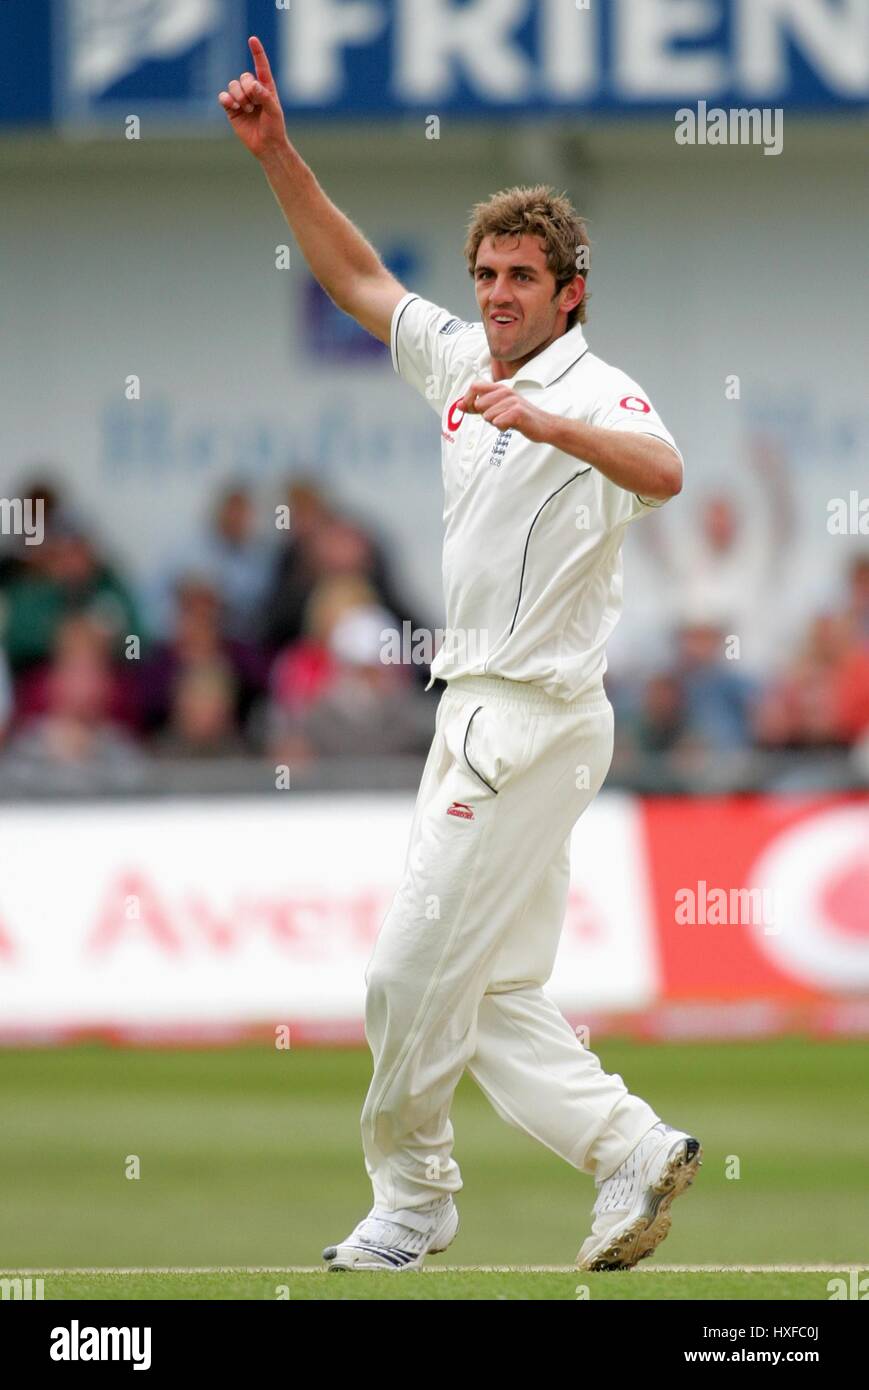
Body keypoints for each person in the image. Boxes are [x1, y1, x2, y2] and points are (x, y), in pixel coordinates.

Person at [218, 36, 702, 1274]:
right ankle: (628, 1148)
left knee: (402, 971)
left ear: (569, 290)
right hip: (481, 711)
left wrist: (546, 417)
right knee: (481, 995)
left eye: (521, 277)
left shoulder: (596, 391)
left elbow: (665, 471)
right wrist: (278, 156)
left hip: (528, 720)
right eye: (486, 272)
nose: (494, 294)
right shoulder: (460, 362)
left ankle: (415, 1195)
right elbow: (362, 280)